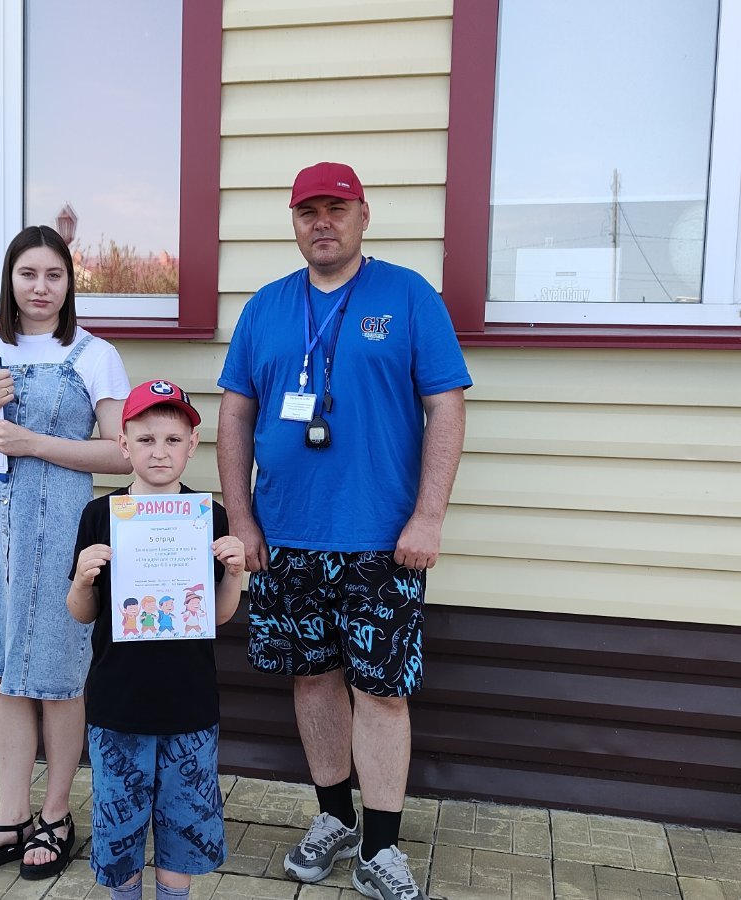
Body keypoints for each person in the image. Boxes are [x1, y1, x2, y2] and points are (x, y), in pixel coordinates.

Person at [216, 162, 472, 900]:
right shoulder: (266, 307)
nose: (322, 222)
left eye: (336, 208)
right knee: (313, 678)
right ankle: (334, 817)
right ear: (294, 223)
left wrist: (428, 516)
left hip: (382, 540)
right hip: (286, 537)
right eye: (308, 211)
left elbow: (446, 407)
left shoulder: (408, 296)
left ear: (364, 215)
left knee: (381, 691)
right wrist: (242, 518)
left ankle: (382, 848)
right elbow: (235, 414)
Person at [0, 224, 133, 880]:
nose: (41, 287)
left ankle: (56, 814)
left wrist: (35, 444)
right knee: (3, 674)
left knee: (57, 675)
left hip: (61, 533)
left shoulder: (94, 355)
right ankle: (11, 816)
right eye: (29, 274)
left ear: (69, 283)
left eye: (55, 275)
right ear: (10, 281)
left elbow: (121, 452)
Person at [67, 379, 247, 900]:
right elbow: (82, 613)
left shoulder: (209, 518)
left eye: (172, 440)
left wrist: (235, 574)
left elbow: (217, 615)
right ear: (123, 445)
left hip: (189, 705)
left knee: (183, 836)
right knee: (119, 833)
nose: (159, 452)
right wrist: (81, 581)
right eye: (145, 440)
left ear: (193, 445)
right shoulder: (100, 516)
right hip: (118, 704)